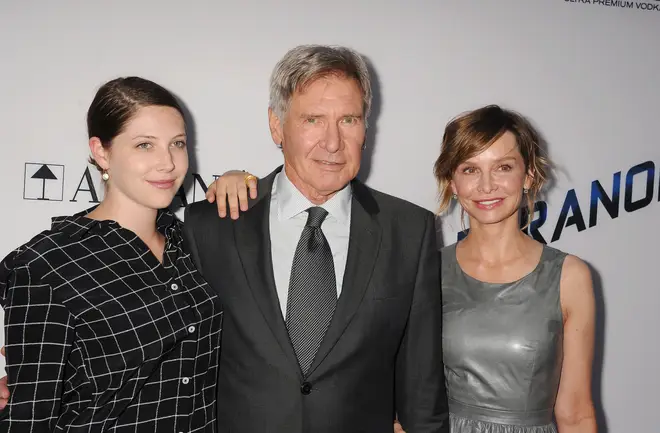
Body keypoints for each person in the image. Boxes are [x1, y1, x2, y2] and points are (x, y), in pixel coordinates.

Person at [214, 105, 598, 433]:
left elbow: (576, 412)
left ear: (528, 175)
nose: (486, 185)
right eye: (469, 169)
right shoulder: (423, 266)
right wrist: (242, 181)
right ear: (452, 181)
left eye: (503, 167)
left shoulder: (569, 276)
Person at [182, 44, 450, 432]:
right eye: (312, 120)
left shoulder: (410, 230)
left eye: (348, 120)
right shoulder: (213, 224)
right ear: (277, 125)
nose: (332, 142)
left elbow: (422, 390)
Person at [0, 77, 223, 432]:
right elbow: (29, 417)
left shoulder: (191, 242)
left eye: (177, 144)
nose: (167, 162)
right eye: (144, 145)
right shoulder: (46, 265)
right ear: (102, 151)